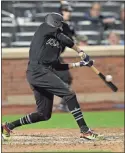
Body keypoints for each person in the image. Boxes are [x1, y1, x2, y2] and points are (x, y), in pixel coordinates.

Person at [2, 13, 103, 141]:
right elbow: (64, 38)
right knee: (69, 94)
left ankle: (8, 126)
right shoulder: (43, 29)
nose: (60, 27)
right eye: (59, 24)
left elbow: (57, 66)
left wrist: (80, 64)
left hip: (40, 73)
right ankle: (84, 130)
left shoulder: (56, 45)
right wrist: (80, 51)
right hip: (38, 71)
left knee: (43, 114)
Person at [55, 2, 76, 112]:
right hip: (48, 57)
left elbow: (70, 41)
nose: (68, 13)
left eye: (69, 11)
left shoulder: (67, 26)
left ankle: (63, 104)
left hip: (57, 56)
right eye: (66, 11)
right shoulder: (56, 24)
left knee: (67, 78)